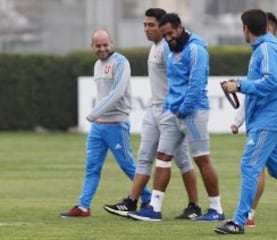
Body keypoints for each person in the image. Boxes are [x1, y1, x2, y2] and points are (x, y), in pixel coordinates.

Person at [214, 9, 277, 234]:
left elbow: (271, 83)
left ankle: (239, 221)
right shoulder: (265, 49)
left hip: (267, 120)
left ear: (246, 28)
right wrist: (240, 85)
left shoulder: (267, 48)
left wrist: (239, 86)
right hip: (265, 119)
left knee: (249, 165)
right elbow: (264, 83)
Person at [103, 8, 202, 220]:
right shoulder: (155, 47)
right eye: (145, 25)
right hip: (153, 110)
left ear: (163, 27)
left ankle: (194, 206)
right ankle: (131, 201)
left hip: (169, 111)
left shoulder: (169, 48)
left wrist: (176, 108)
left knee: (182, 161)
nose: (147, 29)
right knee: (144, 157)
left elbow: (181, 79)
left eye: (151, 25)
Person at [128, 13, 225, 221]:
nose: (168, 38)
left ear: (180, 27)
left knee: (202, 160)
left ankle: (216, 209)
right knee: (162, 157)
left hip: (194, 113)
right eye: (165, 36)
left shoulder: (196, 49)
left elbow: (196, 84)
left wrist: (184, 108)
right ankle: (154, 208)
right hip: (174, 112)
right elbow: (173, 83)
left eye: (171, 33)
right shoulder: (171, 51)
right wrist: (173, 108)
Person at [60, 29, 151, 218]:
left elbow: (117, 92)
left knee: (127, 165)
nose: (102, 49)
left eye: (105, 44)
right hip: (98, 127)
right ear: (92, 46)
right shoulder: (97, 65)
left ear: (112, 42)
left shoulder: (121, 62)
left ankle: (148, 198)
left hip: (116, 124)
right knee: (92, 167)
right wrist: (96, 117)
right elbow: (104, 94)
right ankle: (83, 206)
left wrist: (94, 113)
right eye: (98, 45)